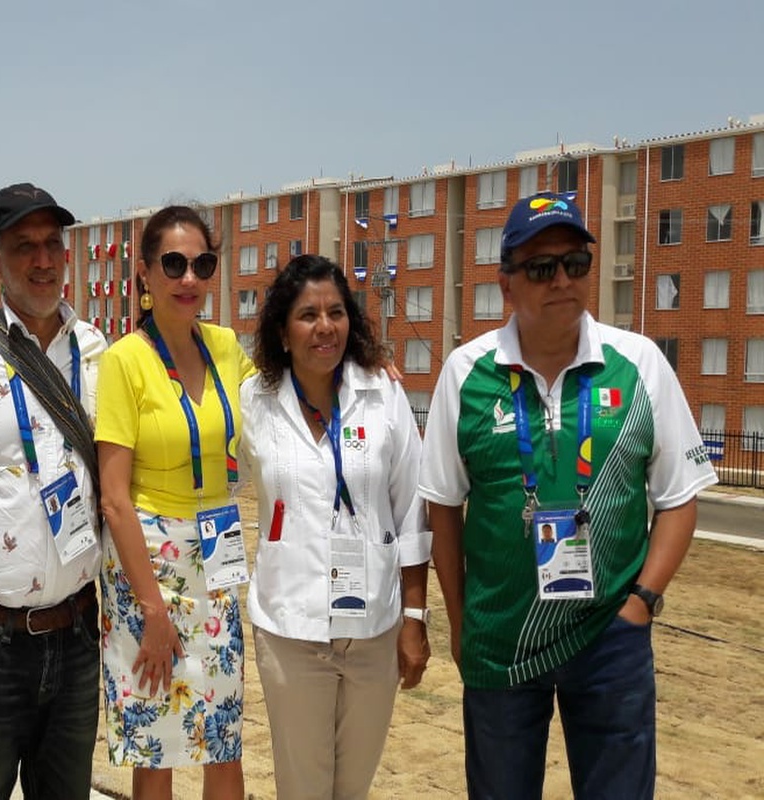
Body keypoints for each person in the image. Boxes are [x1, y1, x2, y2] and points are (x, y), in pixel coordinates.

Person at [418, 191, 718, 799]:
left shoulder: (637, 364)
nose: (562, 280)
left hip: (610, 632)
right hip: (502, 635)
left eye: (575, 264)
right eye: (540, 267)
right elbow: (443, 507)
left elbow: (679, 497)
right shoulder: (466, 372)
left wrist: (642, 606)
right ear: (506, 286)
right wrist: (459, 620)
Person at [239, 254, 431, 799]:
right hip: (289, 630)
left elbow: (412, 510)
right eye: (307, 315)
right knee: (302, 788)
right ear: (281, 330)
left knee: (354, 788)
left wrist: (414, 618)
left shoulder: (383, 394)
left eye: (336, 312)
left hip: (374, 629)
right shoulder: (252, 401)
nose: (325, 327)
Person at [0, 183, 106, 800]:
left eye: (52, 245)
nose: (43, 260)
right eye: (24, 247)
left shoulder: (98, 351)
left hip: (78, 638)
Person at [96, 205, 252, 800]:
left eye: (202, 264)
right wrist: (152, 611)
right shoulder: (124, 360)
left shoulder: (227, 347)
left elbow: (293, 381)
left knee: (224, 735)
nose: (189, 278)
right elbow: (114, 498)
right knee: (155, 740)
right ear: (144, 273)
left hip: (218, 555)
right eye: (174, 264)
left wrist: (366, 366)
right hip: (148, 563)